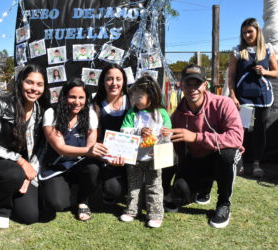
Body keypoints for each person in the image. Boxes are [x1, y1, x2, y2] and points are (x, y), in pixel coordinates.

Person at [0, 64, 50, 229]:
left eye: (39, 84)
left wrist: (30, 175)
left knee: (30, 216)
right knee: (13, 173)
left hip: (19, 169)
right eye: (29, 82)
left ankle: (11, 188)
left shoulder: (41, 111)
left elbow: (41, 148)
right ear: (20, 82)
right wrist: (21, 162)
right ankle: (1, 209)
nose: (34, 88)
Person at [170, 64, 244, 228]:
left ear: (205, 85)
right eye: (188, 83)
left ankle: (224, 204)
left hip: (222, 157)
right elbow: (178, 150)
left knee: (228, 155)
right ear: (181, 85)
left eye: (197, 83)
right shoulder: (177, 115)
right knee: (181, 192)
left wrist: (196, 137)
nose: (193, 88)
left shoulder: (224, 103)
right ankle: (204, 187)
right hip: (197, 158)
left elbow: (236, 138)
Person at [40, 79, 108, 222]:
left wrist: (106, 154)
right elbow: (61, 148)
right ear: (64, 96)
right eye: (72, 97)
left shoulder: (90, 114)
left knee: (93, 168)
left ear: (86, 98)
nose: (77, 102)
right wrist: (89, 150)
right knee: (58, 204)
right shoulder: (52, 113)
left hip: (79, 164)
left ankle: (83, 200)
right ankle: (55, 188)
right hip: (56, 166)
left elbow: (91, 147)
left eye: (81, 97)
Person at [228, 18, 278, 177]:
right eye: (244, 32)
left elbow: (276, 72)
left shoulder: (268, 49)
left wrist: (265, 72)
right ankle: (240, 163)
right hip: (243, 97)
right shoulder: (237, 51)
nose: (247, 35)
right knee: (240, 130)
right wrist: (232, 95)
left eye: (250, 31)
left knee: (260, 131)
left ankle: (257, 164)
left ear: (258, 31)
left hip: (263, 97)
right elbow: (231, 76)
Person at [118, 75, 171, 228]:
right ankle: (131, 210)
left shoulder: (162, 113)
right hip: (134, 157)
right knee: (133, 186)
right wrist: (138, 131)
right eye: (133, 96)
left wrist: (167, 135)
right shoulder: (132, 113)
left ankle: (155, 214)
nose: (135, 99)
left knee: (154, 186)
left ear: (151, 95)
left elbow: (169, 132)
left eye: (139, 96)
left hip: (155, 158)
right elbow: (123, 131)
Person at [93, 64, 131, 205]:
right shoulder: (96, 105)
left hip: (132, 159)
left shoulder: (133, 102)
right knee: (113, 191)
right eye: (109, 79)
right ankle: (107, 186)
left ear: (124, 81)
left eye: (118, 79)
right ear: (103, 82)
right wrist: (106, 158)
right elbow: (94, 140)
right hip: (107, 159)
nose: (114, 83)